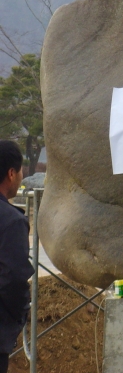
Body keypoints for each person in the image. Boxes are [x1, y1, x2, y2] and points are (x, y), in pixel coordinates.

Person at [0, 141, 34, 373]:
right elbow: (13, 279)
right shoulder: (11, 221)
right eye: (21, 170)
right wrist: (20, 314)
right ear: (11, 174)